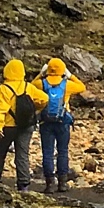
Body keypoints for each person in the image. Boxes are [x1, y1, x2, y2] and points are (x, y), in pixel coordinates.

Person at [0, 58, 48, 190]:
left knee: (0, 153)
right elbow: (44, 98)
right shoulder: (28, 87)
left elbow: (1, 110)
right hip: (26, 125)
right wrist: (35, 108)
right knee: (22, 154)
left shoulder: (4, 88)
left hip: (8, 126)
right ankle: (24, 184)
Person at [33, 57, 88, 193]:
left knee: (48, 152)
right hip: (63, 121)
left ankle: (50, 184)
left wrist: (41, 73)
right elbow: (82, 87)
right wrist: (70, 75)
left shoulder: (41, 84)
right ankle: (62, 183)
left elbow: (31, 86)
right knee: (62, 151)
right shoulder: (67, 84)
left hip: (45, 122)